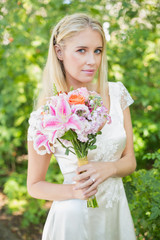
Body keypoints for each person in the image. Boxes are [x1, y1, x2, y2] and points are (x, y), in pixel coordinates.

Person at [27, 13, 137, 240]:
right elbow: (34, 185)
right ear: (59, 52)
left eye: (97, 51)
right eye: (81, 50)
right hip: (75, 220)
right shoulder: (46, 115)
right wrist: (72, 191)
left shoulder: (116, 94)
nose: (92, 61)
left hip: (116, 214)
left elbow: (130, 161)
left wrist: (110, 168)